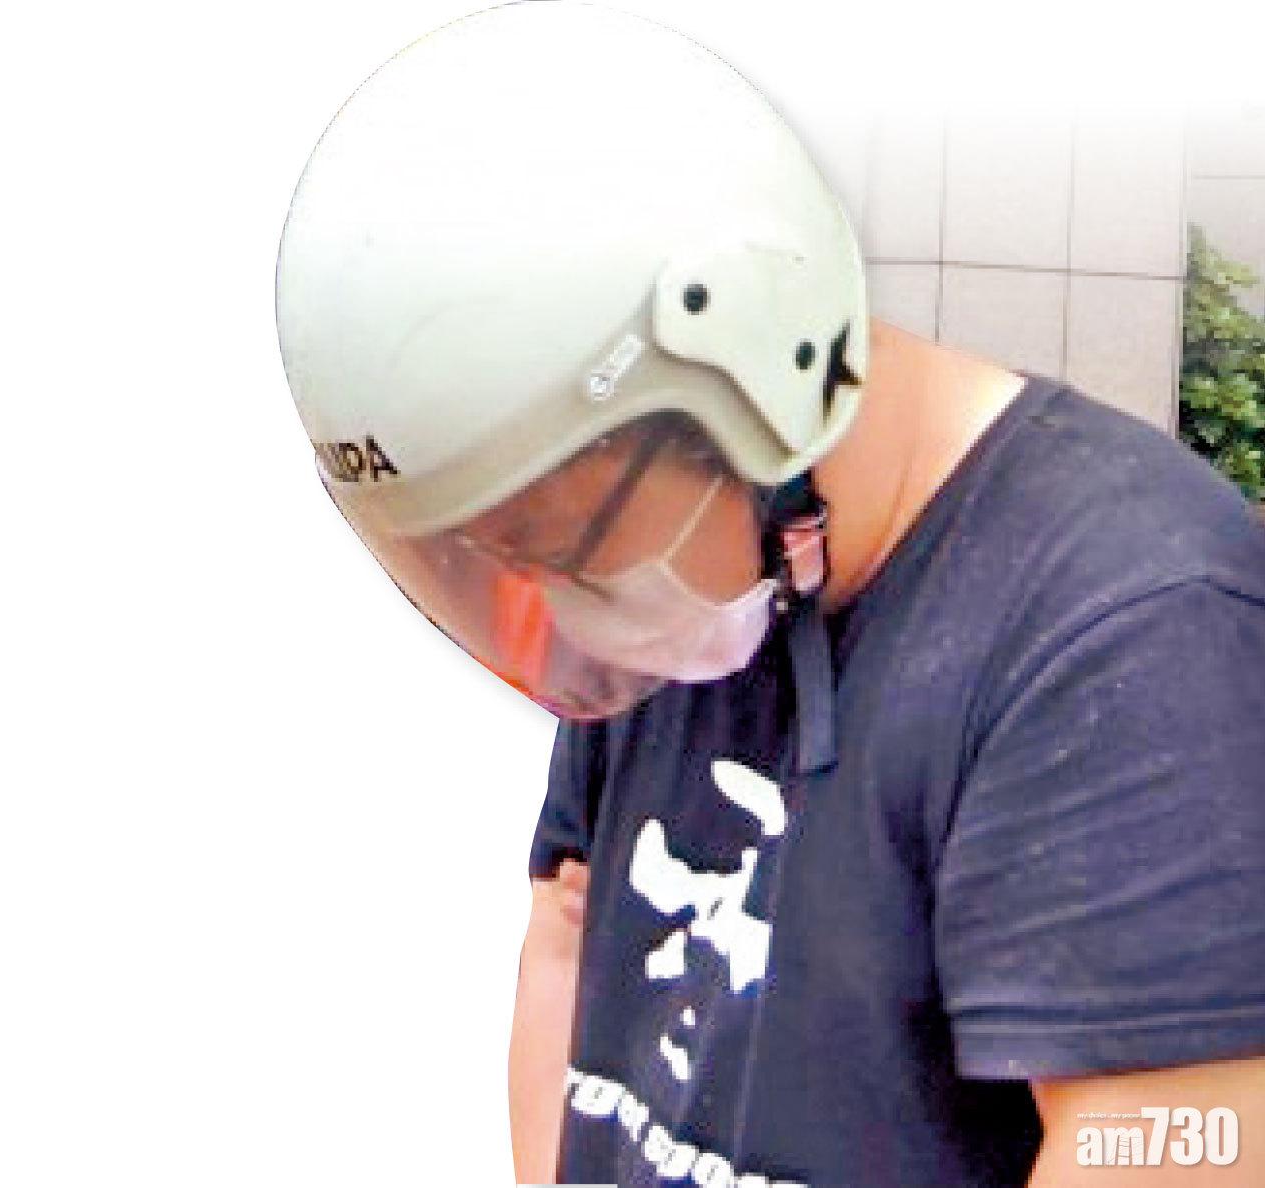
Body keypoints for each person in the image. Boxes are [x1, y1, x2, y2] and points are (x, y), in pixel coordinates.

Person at [275, 4, 1265, 1185]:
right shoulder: (688, 596)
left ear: (755, 371)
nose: (564, 606)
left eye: (566, 543)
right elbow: (570, 929)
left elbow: (1176, 1135)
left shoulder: (1128, 629)